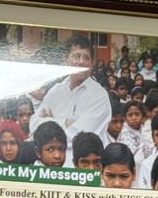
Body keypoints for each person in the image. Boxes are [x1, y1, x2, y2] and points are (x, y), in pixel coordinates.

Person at [32, 34, 113, 165]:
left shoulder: (99, 95)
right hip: (51, 167)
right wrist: (66, 122)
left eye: (86, 58)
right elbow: (35, 124)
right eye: (76, 56)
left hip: (83, 168)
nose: (80, 62)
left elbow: (79, 137)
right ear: (66, 60)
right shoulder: (56, 91)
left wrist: (51, 121)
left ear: (91, 64)